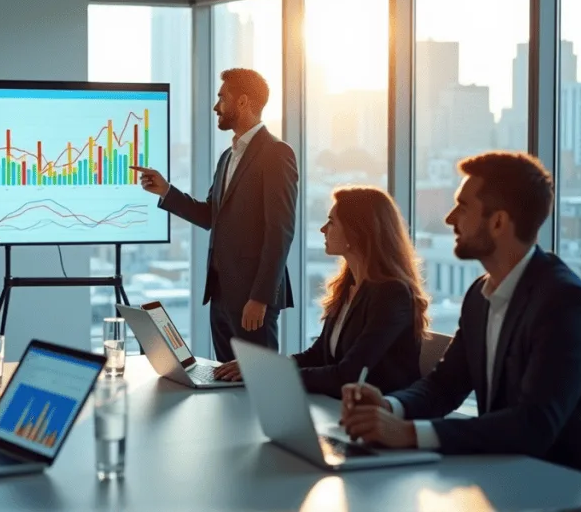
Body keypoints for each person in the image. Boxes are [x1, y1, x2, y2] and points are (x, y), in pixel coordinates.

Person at [340, 151, 581, 475]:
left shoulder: (564, 303)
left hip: (564, 487)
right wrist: (389, 406)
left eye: (463, 206)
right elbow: (444, 386)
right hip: (505, 473)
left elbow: (534, 425)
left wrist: (407, 433)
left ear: (498, 222)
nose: (450, 219)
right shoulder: (480, 295)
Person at [132, 68, 298, 358]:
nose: (216, 106)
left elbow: (280, 231)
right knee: (227, 383)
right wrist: (167, 191)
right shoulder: (228, 156)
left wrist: (260, 298)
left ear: (243, 102)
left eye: (222, 98)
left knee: (257, 385)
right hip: (221, 295)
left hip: (252, 299)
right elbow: (211, 216)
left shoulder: (276, 153)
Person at [214, 186, 428, 398]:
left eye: (332, 222)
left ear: (357, 232)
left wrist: (270, 373)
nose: (323, 229)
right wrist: (261, 365)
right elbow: (317, 355)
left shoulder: (392, 294)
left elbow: (348, 374)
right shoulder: (348, 286)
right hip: (341, 406)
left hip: (381, 416)